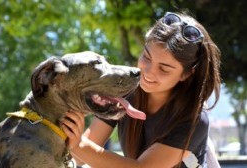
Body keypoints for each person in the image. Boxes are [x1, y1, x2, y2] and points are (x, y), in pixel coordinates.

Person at [61, 11, 221, 168]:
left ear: (186, 74)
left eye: (164, 69)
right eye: (146, 57)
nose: (149, 72)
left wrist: (79, 144)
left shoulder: (194, 119)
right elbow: (80, 157)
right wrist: (71, 131)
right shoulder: (125, 89)